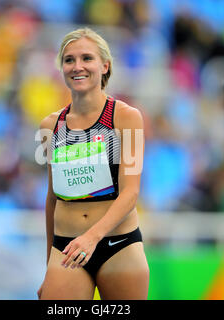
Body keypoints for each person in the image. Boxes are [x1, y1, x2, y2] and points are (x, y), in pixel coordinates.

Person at [37, 27, 149, 300]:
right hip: (67, 250)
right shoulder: (49, 126)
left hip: (118, 247)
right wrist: (48, 266)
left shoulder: (127, 117)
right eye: (69, 60)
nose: (78, 66)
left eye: (87, 58)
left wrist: (92, 237)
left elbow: (131, 193)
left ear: (105, 65)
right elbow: (53, 197)